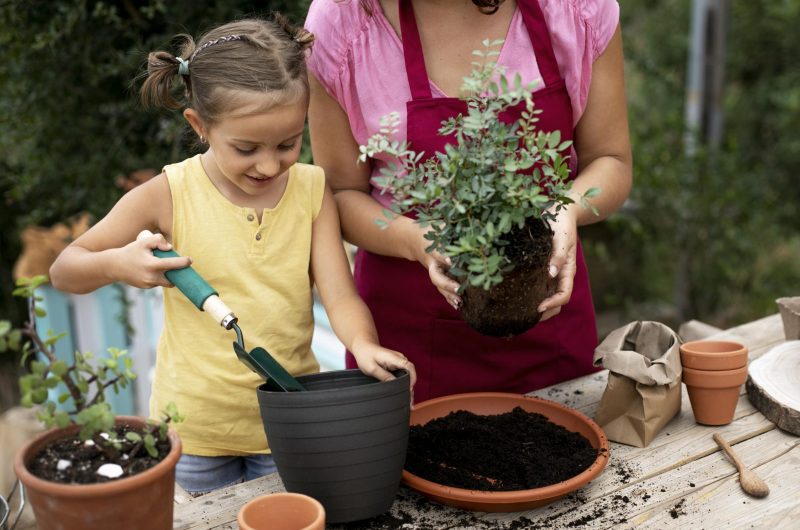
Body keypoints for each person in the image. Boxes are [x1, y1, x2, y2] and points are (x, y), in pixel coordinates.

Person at [48, 15, 416, 495]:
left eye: (288, 143)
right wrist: (120, 264)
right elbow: (64, 269)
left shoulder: (311, 190)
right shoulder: (169, 193)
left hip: (288, 421)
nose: (269, 164)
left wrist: (364, 345)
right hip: (194, 434)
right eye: (246, 148)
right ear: (199, 125)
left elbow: (341, 297)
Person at [305, 0, 632, 402]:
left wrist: (566, 208)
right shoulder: (345, 20)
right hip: (408, 349)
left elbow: (610, 161)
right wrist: (415, 238)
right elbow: (340, 193)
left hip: (548, 327)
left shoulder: (574, 9)